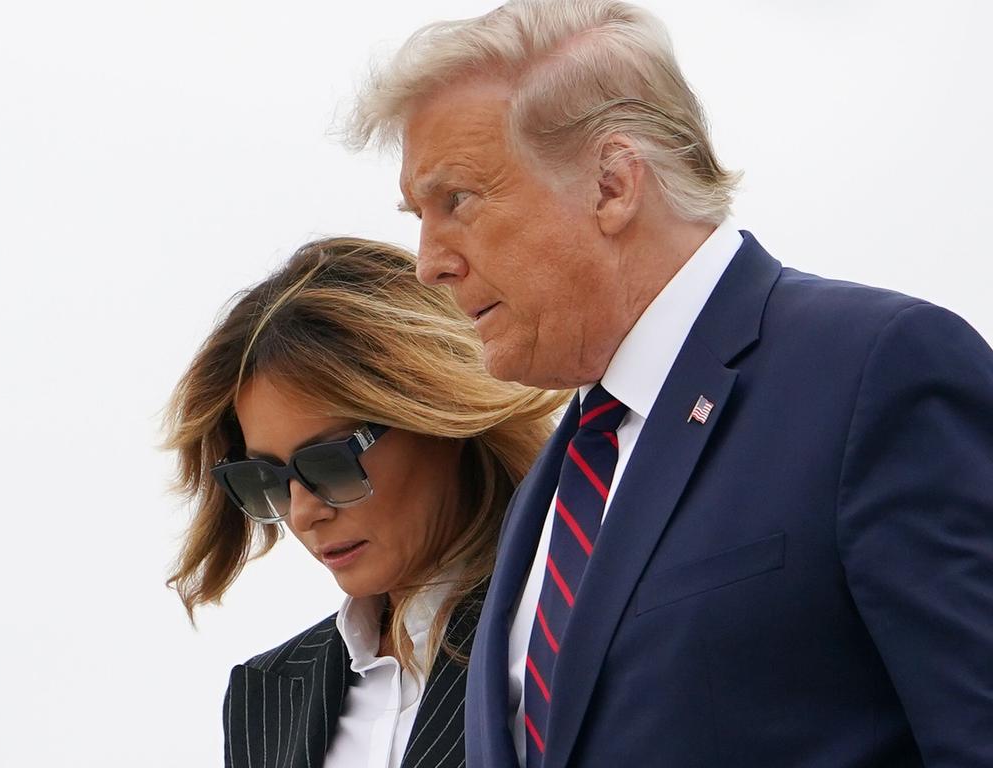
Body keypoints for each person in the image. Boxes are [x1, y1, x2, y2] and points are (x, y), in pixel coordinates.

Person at [347, 1, 993, 766]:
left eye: (456, 200)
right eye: (417, 215)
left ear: (613, 184)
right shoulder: (552, 488)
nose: (428, 262)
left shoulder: (876, 370)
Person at [164, 237, 567, 768]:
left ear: (438, 417)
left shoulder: (561, 632)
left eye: (330, 463)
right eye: (267, 479)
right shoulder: (265, 694)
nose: (303, 513)